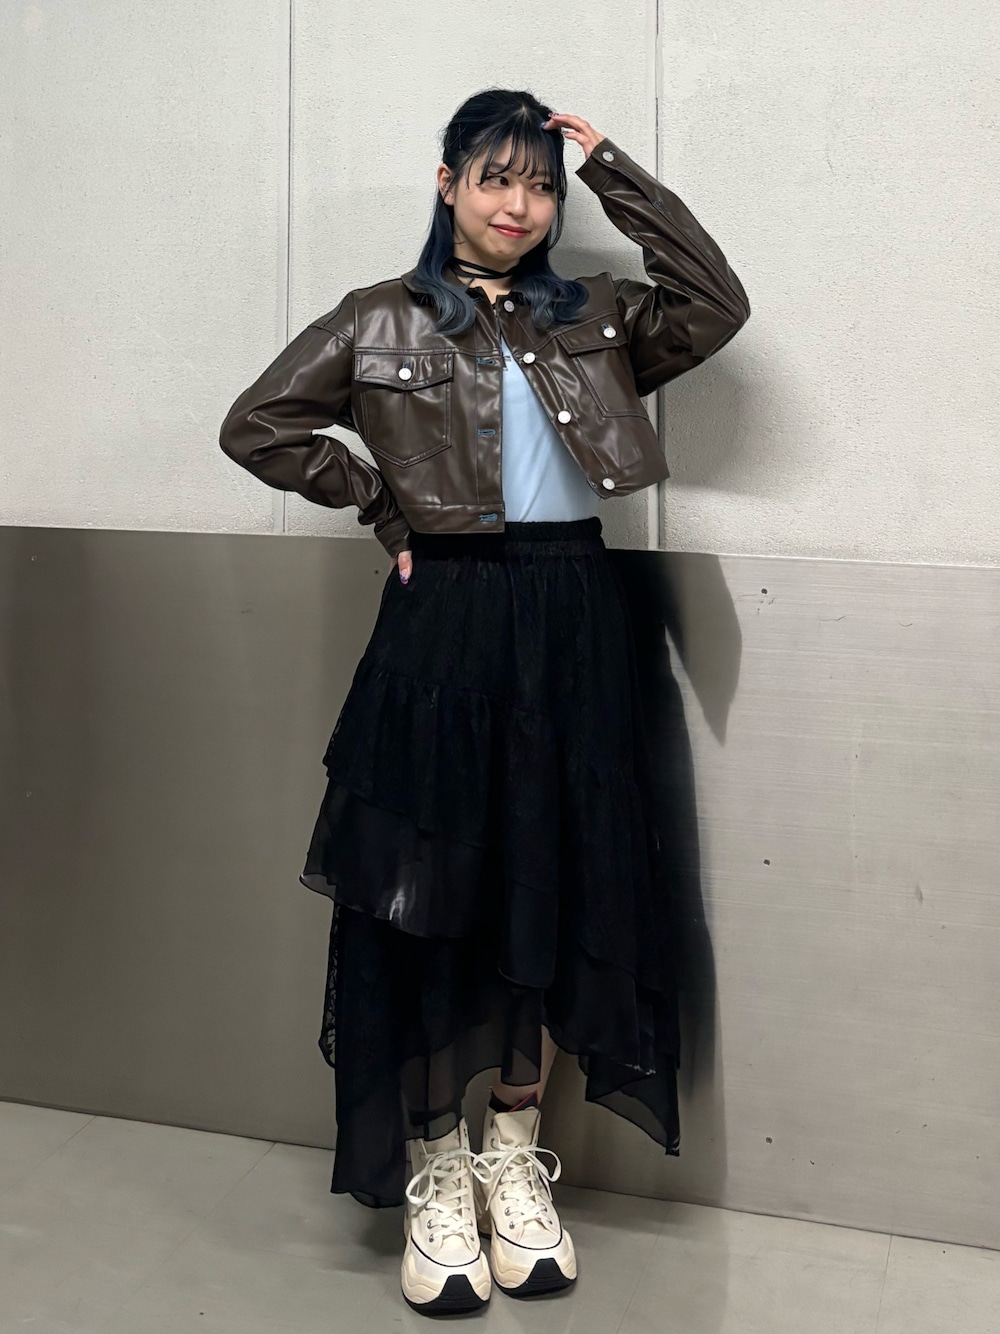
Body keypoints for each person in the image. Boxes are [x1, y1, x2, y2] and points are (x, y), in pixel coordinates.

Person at [219, 87, 750, 1317]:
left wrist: (610, 167)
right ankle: (436, 1162)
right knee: (428, 890)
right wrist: (381, 505)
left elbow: (713, 303)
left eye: (540, 184)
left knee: (559, 872)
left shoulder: (594, 314)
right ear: (448, 181)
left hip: (574, 608)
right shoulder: (378, 317)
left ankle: (515, 1149)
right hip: (447, 614)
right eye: (496, 176)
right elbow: (259, 424)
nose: (520, 204)